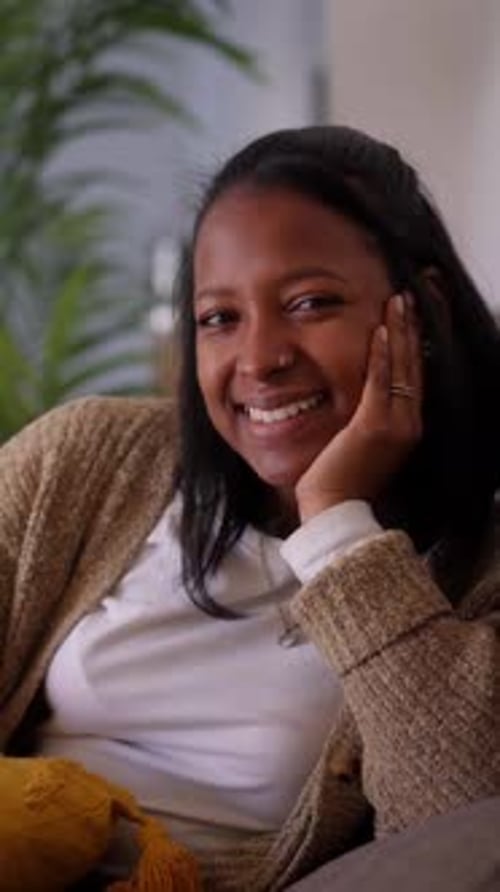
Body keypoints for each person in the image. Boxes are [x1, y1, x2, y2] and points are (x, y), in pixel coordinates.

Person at [1, 125, 500, 892]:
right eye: (219, 319)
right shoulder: (87, 459)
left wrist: (335, 520)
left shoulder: (481, 565)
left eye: (309, 303)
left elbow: (463, 832)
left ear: (420, 310)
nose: (260, 358)